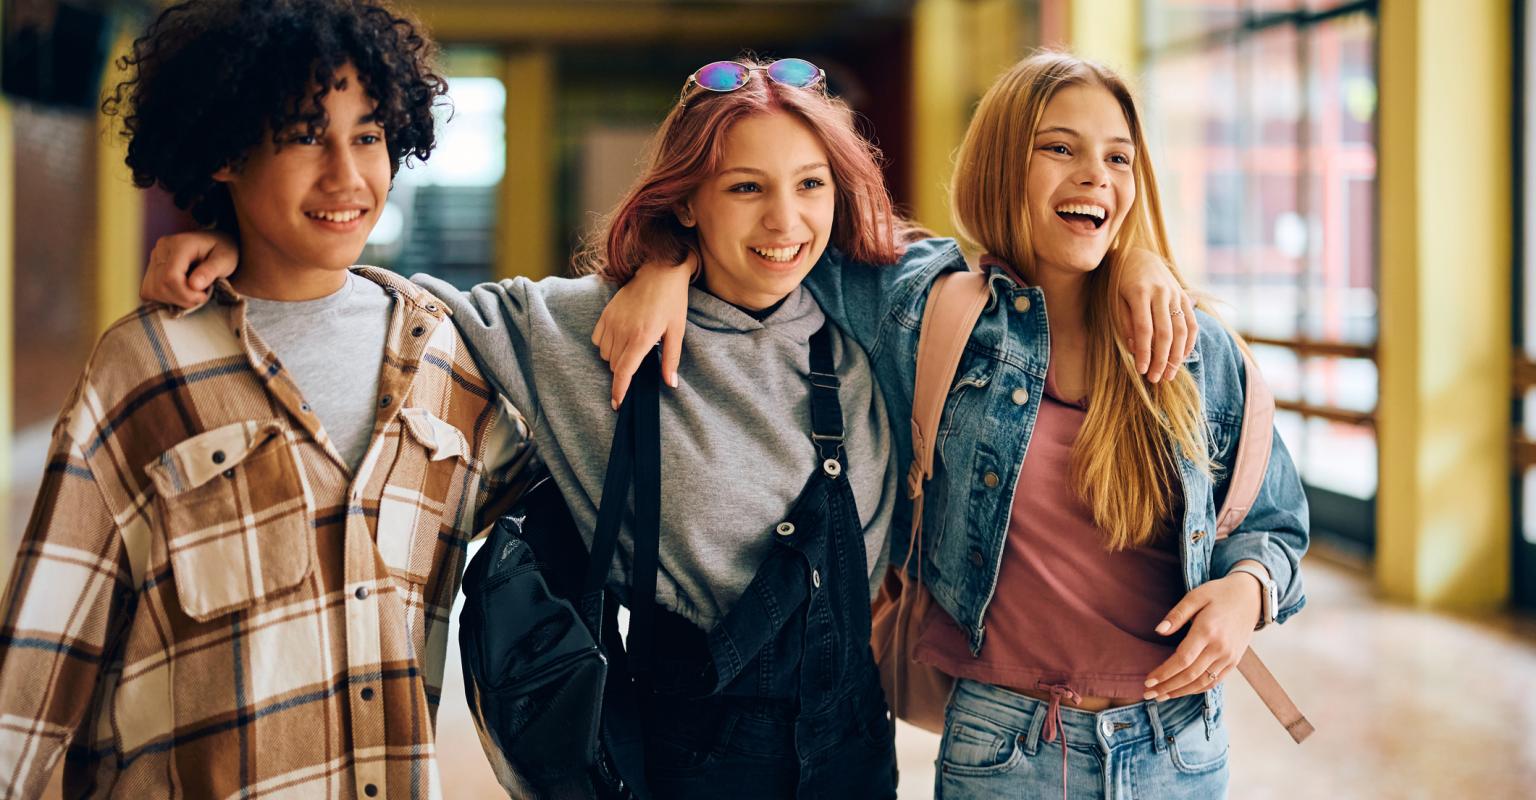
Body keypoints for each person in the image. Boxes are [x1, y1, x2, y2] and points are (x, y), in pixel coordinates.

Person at [139, 56, 1196, 798]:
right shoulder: (591, 332)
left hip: (850, 758)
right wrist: (245, 250)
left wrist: (1140, 252)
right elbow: (413, 314)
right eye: (745, 189)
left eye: (809, 186)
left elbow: (1022, 284)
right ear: (689, 199)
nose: (785, 222)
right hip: (675, 759)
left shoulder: (878, 310)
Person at [597, 51, 1309, 799]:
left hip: (1181, 746)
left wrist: (1248, 592)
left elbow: (1274, 523)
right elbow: (777, 239)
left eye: (1118, 157)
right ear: (1002, 165)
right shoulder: (924, 306)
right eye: (1059, 147)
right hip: (1002, 746)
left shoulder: (1196, 347)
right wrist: (664, 267)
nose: (1096, 174)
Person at [0, 1, 532, 797]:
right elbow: (40, 663)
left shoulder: (446, 361)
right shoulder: (147, 369)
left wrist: (663, 266)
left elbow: (588, 508)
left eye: (368, 135)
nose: (347, 177)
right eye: (304, 135)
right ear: (224, 151)